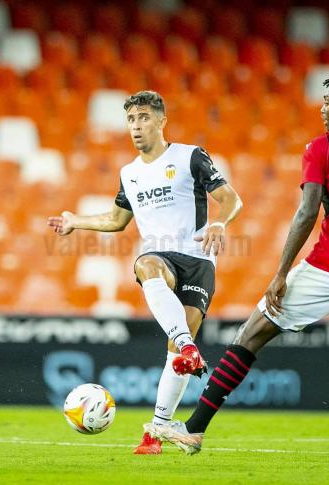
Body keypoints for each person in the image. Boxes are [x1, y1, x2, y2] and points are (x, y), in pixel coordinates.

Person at [146, 72, 329, 467]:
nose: (322, 109)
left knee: (251, 333)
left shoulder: (322, 147)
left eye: (328, 102)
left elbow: (307, 212)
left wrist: (281, 272)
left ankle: (195, 427)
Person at [48, 91, 243, 454]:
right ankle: (188, 347)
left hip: (198, 261)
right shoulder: (130, 173)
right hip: (160, 256)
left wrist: (220, 223)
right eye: (131, 120)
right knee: (145, 264)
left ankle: (155, 432)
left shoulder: (190, 156)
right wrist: (77, 222)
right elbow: (116, 220)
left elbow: (232, 199)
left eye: (143, 118)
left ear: (161, 120)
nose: (136, 127)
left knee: (174, 355)